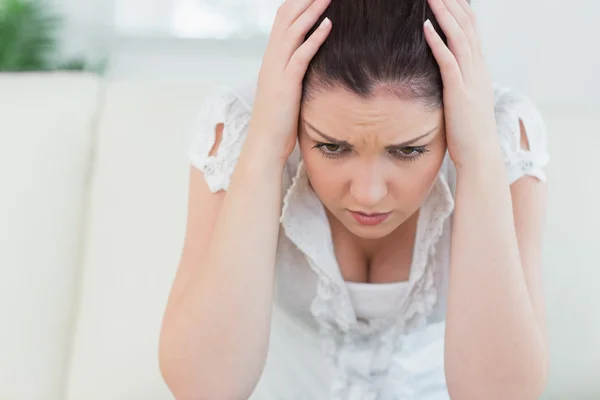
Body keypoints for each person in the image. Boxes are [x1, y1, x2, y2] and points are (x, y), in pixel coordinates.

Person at [159, 0, 550, 398]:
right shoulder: (242, 128)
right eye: (331, 147)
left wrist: (479, 156)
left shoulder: (499, 138)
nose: (368, 194)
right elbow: (203, 388)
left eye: (408, 150)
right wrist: (264, 149)